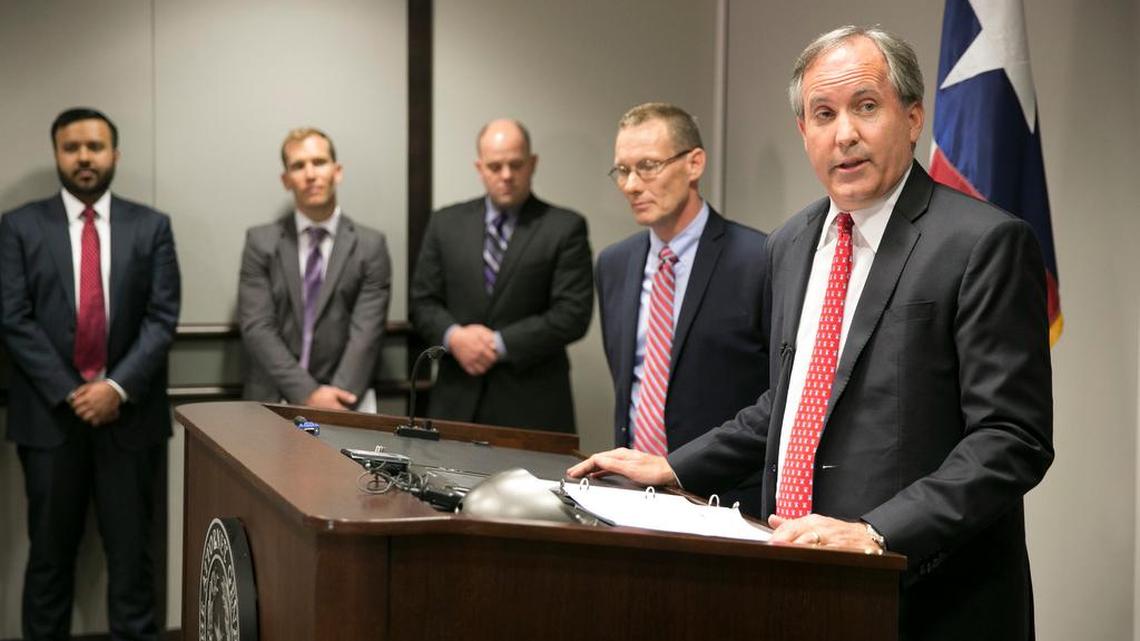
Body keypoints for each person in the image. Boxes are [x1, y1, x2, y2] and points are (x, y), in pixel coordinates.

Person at [569, 26, 1053, 641]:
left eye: (866, 107)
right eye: (823, 114)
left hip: (923, 597)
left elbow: (1012, 438)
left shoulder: (982, 243)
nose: (843, 133)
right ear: (803, 132)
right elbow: (793, 400)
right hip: (797, 580)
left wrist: (879, 530)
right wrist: (672, 467)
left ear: (912, 118)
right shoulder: (790, 243)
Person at [0, 107, 181, 640]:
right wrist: (73, 392)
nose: (84, 157)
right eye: (72, 147)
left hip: (131, 420)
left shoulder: (151, 226)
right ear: (57, 154)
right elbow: (13, 317)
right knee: (49, 563)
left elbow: (162, 316)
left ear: (115, 155)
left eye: (95, 147)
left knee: (132, 564)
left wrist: (115, 388)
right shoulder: (18, 226)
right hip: (50, 423)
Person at [596, 102, 769, 512]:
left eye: (648, 166)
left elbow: (774, 397)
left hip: (725, 498)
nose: (631, 185)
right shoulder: (613, 264)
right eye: (622, 170)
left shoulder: (760, 259)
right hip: (632, 494)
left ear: (694, 164)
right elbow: (630, 384)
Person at [410, 119, 593, 432]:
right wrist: (455, 338)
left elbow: (571, 314)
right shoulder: (445, 223)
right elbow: (422, 303)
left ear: (532, 164)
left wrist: (496, 344)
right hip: (456, 402)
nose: (506, 175)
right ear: (479, 167)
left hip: (534, 406)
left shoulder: (564, 227)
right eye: (495, 166)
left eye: (515, 165)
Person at [239, 127, 391, 411]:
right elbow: (257, 327)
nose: (310, 174)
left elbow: (366, 333)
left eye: (319, 162)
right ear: (286, 180)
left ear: (337, 171)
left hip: (345, 401)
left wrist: (333, 400)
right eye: (298, 166)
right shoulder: (260, 243)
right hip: (273, 400)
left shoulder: (371, 246)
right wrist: (308, 394)